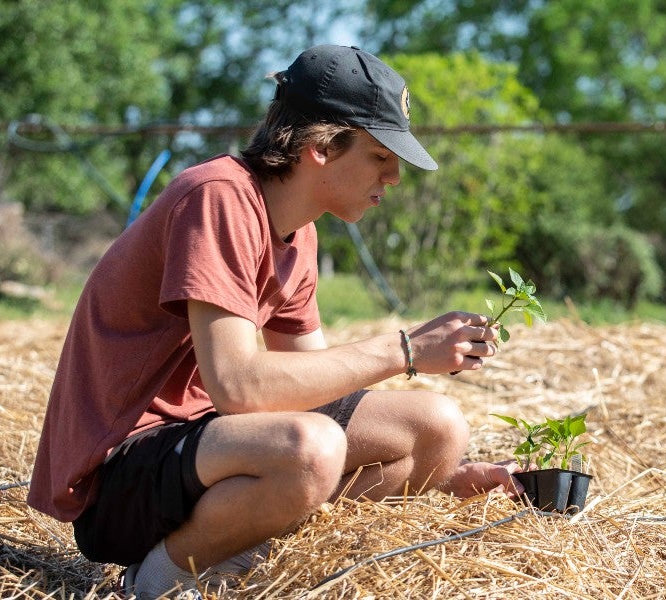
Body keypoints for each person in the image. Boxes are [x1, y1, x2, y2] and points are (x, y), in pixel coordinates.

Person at [27, 44, 521, 598]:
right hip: (120, 478)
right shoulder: (218, 198)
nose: (395, 176)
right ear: (320, 147)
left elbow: (308, 384)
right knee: (312, 448)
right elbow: (239, 387)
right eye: (381, 154)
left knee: (438, 428)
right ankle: (156, 582)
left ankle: (235, 554)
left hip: (206, 451)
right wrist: (404, 351)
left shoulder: (297, 230)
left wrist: (451, 478)